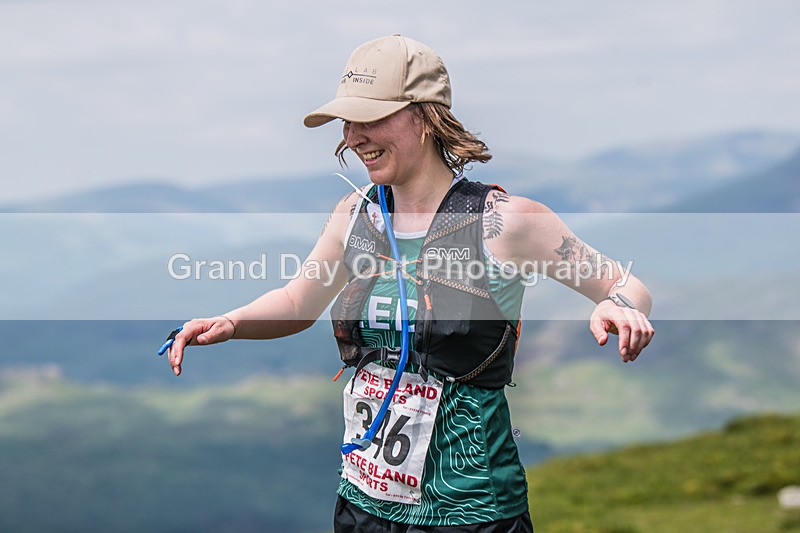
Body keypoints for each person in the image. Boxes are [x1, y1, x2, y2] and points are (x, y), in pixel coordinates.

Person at [165, 34, 654, 532]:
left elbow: (625, 283)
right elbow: (298, 299)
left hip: (472, 511)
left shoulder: (505, 221)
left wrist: (617, 304)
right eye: (348, 121)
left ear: (424, 116)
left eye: (370, 117)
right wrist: (229, 322)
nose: (354, 136)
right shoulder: (355, 215)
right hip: (363, 505)